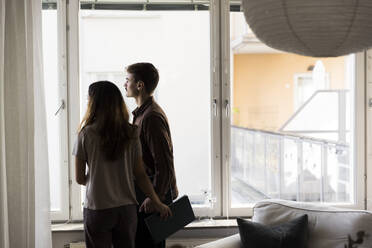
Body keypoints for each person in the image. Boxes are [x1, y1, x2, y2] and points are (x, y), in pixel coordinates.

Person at [73, 81, 171, 248]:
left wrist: (99, 176)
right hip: (126, 210)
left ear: (93, 103)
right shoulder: (132, 132)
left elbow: (80, 178)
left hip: (97, 208)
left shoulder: (85, 134)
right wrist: (157, 201)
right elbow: (140, 174)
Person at [124, 62, 178, 248]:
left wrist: (155, 198)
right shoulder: (141, 114)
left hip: (151, 199)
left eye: (128, 80)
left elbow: (164, 163)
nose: (125, 84)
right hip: (145, 195)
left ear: (140, 85)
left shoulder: (151, 118)